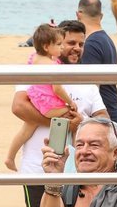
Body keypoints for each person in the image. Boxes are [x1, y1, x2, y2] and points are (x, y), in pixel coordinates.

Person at [11, 19, 108, 207]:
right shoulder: (36, 70)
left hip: (79, 168)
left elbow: (104, 120)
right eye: (70, 43)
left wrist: (81, 123)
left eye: (81, 44)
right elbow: (18, 106)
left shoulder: (87, 81)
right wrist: (57, 121)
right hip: (37, 165)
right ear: (56, 45)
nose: (76, 48)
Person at [6, 24, 77, 172]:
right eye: (58, 44)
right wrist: (69, 103)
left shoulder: (34, 58)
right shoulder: (52, 65)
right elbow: (57, 89)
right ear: (46, 46)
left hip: (35, 98)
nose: (62, 47)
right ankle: (70, 153)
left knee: (27, 129)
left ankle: (10, 157)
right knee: (71, 115)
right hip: (48, 104)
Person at [78, 0, 117, 128]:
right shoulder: (105, 39)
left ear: (78, 14)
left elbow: (92, 85)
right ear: (101, 16)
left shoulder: (91, 43)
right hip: (111, 109)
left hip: (102, 115)